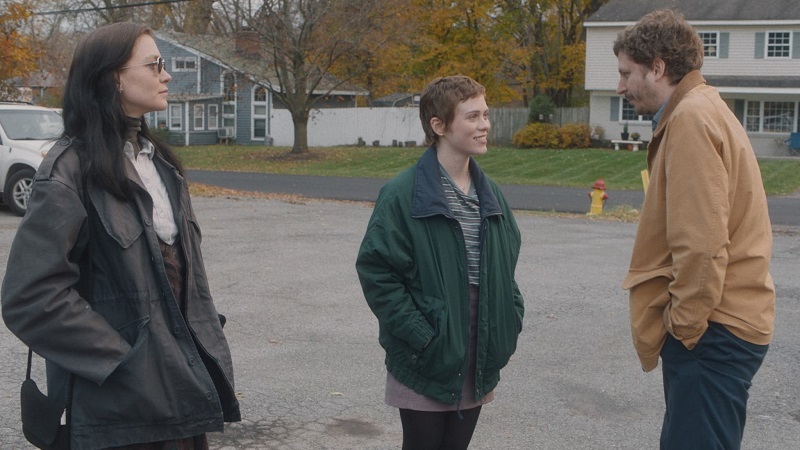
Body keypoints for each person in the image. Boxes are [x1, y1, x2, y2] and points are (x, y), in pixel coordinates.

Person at [1, 22, 240, 449]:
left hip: (180, 395)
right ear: (113, 78)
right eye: (154, 65)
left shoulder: (160, 165)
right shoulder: (68, 172)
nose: (167, 75)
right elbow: (30, 297)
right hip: (117, 414)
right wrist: (123, 359)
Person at [615, 9, 775, 450]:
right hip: (723, 326)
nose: (621, 87)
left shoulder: (690, 118)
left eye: (627, 73)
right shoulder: (704, 107)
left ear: (657, 67)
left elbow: (701, 244)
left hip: (714, 332)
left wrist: (684, 328)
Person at [355, 75, 524, 450]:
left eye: (485, 114)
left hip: (478, 354)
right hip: (426, 357)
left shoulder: (491, 195)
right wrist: (422, 335)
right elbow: (377, 273)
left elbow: (506, 267)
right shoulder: (402, 194)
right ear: (439, 125)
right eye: (472, 116)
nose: (484, 125)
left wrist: (509, 320)